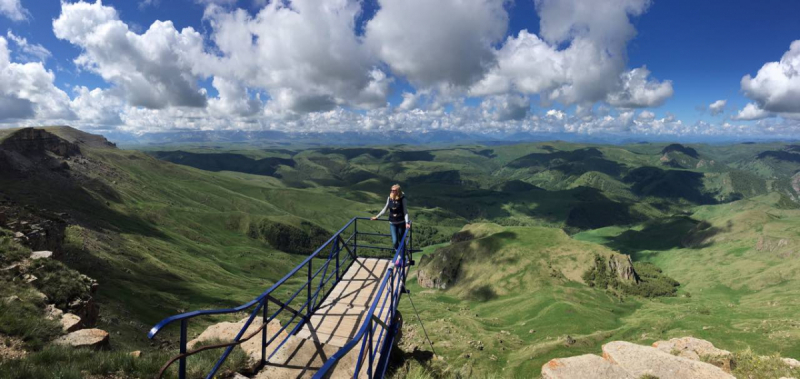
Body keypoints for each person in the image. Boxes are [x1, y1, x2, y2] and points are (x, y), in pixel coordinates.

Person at [371, 184, 410, 250]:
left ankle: (401, 256)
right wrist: (377, 216)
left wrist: (407, 222)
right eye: (391, 190)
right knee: (395, 241)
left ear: (398, 191)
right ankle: (399, 254)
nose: (392, 191)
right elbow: (385, 209)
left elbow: (405, 211)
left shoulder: (402, 199)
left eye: (394, 190)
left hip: (401, 222)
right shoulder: (389, 198)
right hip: (392, 222)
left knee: (401, 240)